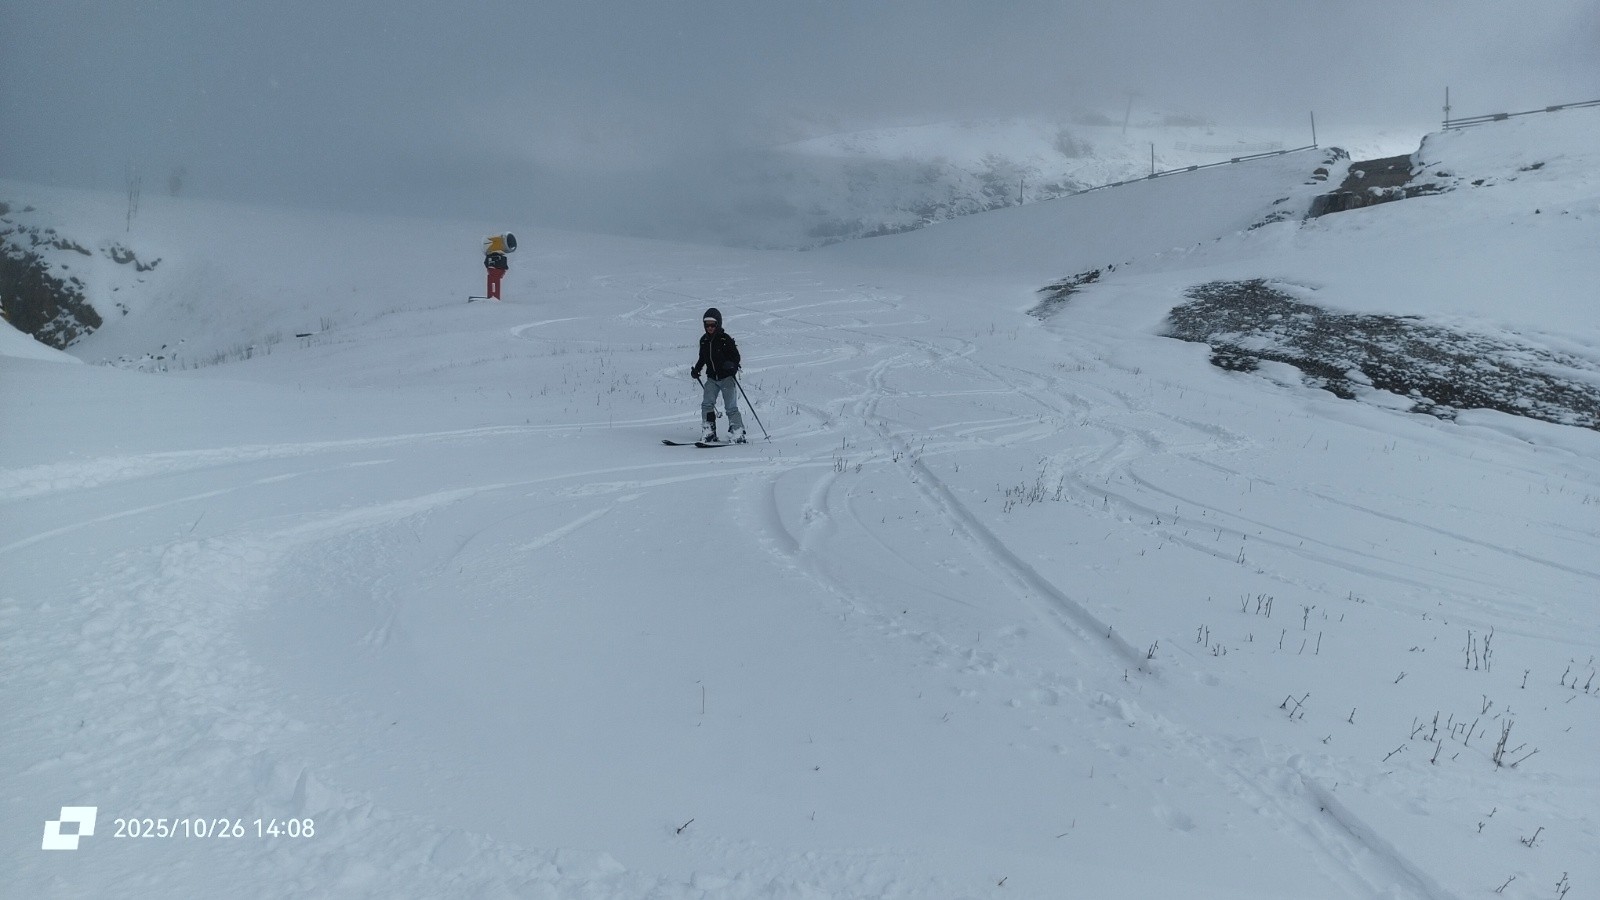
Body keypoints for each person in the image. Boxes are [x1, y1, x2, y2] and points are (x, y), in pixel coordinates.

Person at [690, 307, 745, 443]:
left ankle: (738, 433)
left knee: (731, 407)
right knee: (707, 404)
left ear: (718, 324)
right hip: (712, 379)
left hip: (727, 378)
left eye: (712, 324)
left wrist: (731, 365)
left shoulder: (725, 339)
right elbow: (703, 358)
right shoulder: (704, 341)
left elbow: (736, 357)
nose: (709, 327)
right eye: (707, 324)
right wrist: (697, 370)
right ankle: (709, 431)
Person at [483, 233, 516, 301]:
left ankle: (493, 297)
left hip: (495, 265)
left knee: (494, 278)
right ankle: (493, 296)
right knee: (494, 278)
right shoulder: (495, 263)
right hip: (494, 266)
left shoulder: (498, 259)